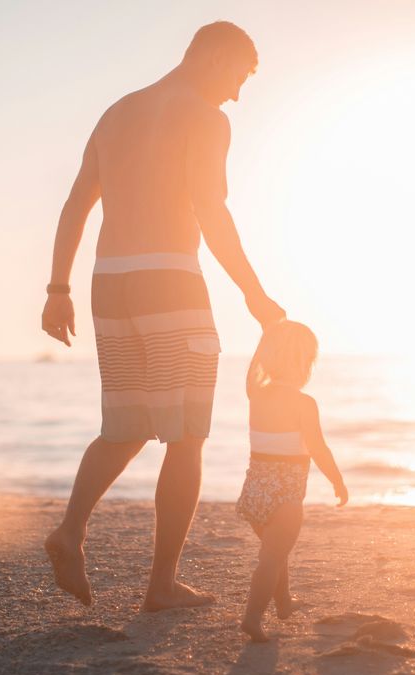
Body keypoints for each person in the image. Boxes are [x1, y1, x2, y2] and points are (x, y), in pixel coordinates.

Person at [40, 21, 286, 611]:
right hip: (171, 282)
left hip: (109, 284)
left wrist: (57, 288)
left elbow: (76, 204)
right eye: (238, 77)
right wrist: (254, 294)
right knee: (186, 436)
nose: (236, 95)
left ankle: (70, 531)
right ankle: (161, 586)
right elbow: (211, 212)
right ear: (214, 56)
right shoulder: (205, 117)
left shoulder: (117, 112)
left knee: (124, 428)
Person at [237, 321, 347, 642]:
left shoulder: (256, 394)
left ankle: (283, 602)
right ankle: (252, 618)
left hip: (254, 493)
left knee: (276, 550)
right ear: (305, 363)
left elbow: (252, 371)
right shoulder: (304, 403)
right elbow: (318, 448)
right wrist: (337, 481)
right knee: (271, 558)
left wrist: (266, 333)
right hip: (285, 495)